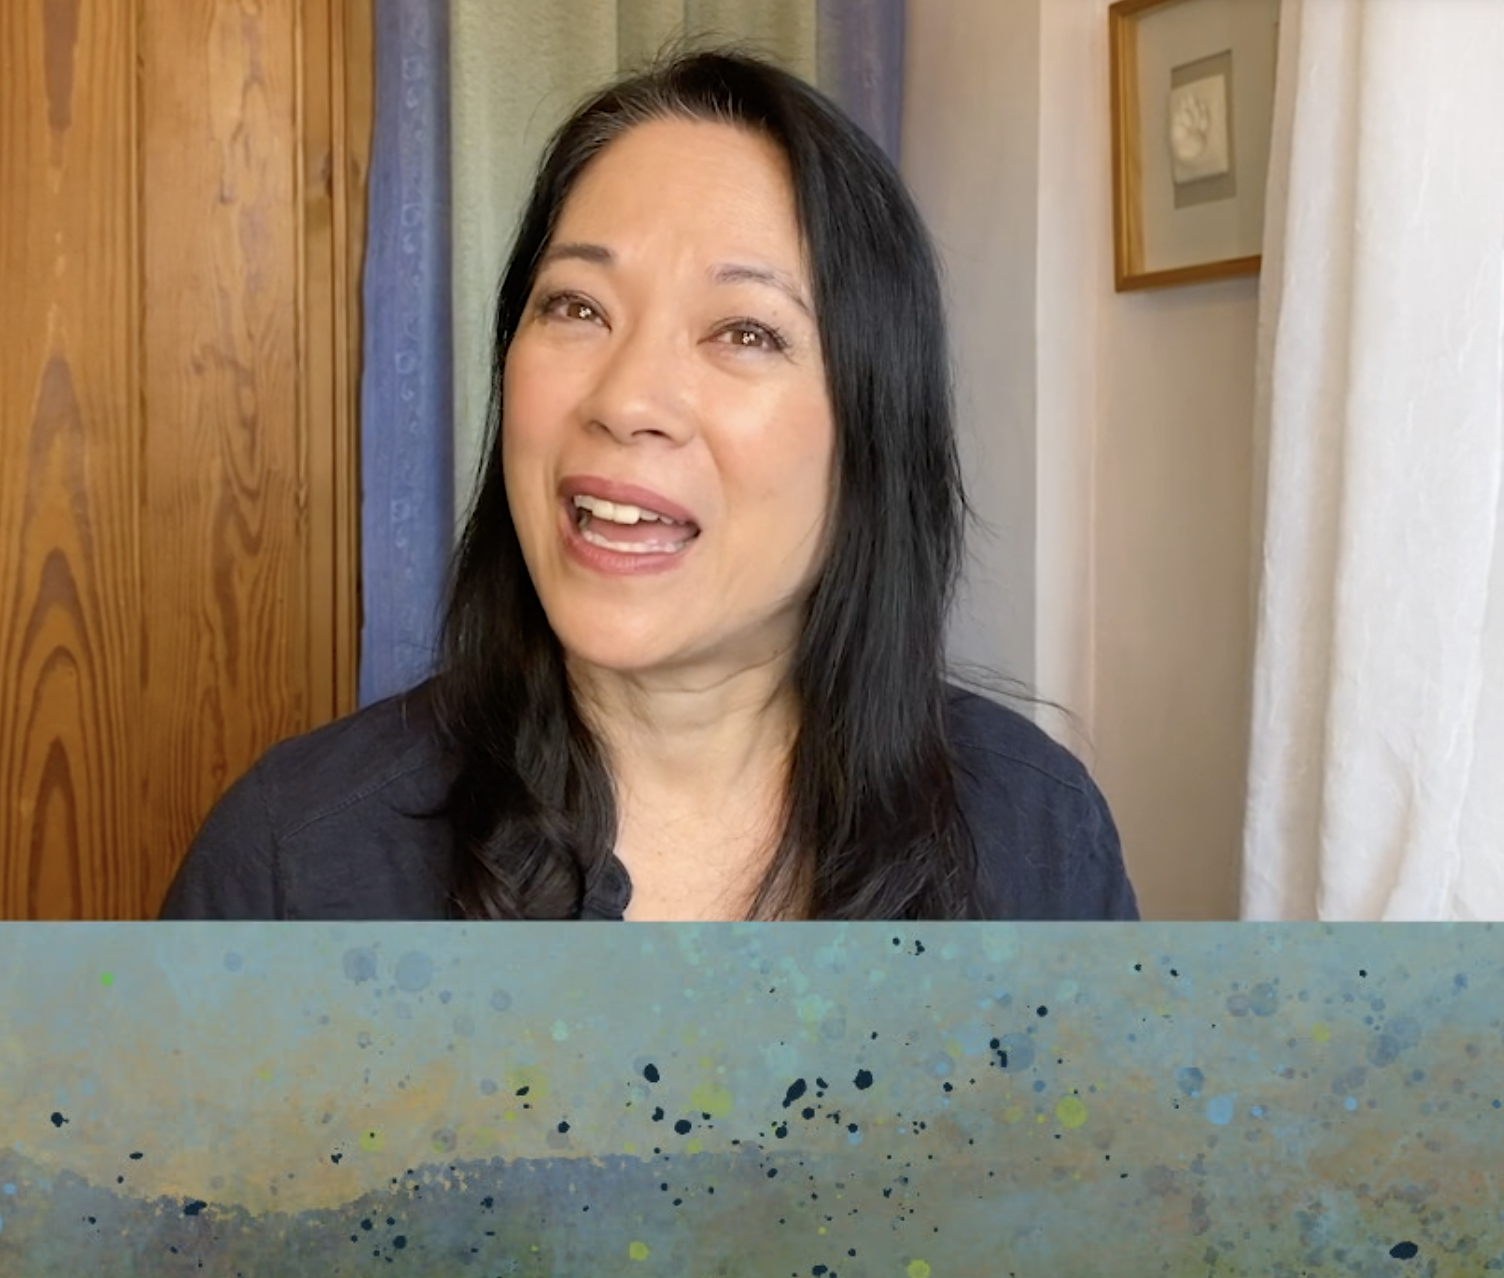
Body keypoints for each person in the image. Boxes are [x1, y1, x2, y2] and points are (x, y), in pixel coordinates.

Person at [162, 50, 1136, 921]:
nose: (626, 398)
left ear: (872, 429)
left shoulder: (1036, 838)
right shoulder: (295, 857)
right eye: (578, 306)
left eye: (743, 331)